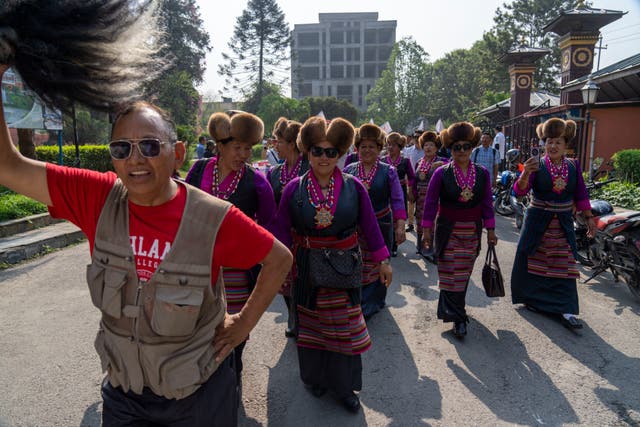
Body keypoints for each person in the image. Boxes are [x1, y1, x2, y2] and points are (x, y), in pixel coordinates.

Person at [0, 92, 292, 424]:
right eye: (121, 149)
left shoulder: (213, 217)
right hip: (126, 394)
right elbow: (6, 164)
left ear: (177, 153)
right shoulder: (95, 198)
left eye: (150, 146)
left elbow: (279, 259)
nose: (135, 159)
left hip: (198, 395)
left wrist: (244, 323)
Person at [275, 116, 391, 413]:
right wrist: (273, 267)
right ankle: (314, 378)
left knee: (345, 327)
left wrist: (383, 261)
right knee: (310, 326)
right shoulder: (292, 189)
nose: (324, 157)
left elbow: (370, 227)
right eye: (317, 151)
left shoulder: (355, 188)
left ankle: (344, 387)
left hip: (344, 267)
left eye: (331, 152)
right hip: (305, 267)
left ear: (340, 153)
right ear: (307, 152)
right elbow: (279, 231)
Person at [185, 111, 278, 383]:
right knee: (195, 322)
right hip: (197, 263)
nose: (243, 154)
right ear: (220, 147)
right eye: (237, 147)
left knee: (233, 328)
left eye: (248, 148)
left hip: (236, 270)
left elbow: (270, 225)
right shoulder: (199, 169)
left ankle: (231, 374)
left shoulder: (256, 181)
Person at [511, 118, 595, 329]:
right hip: (537, 220)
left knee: (565, 264)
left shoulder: (573, 166)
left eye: (558, 142)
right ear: (544, 143)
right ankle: (533, 301)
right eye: (549, 141)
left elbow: (581, 194)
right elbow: (519, 192)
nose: (553, 146)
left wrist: (589, 218)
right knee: (533, 258)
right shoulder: (536, 165)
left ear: (566, 144)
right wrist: (525, 173)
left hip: (563, 224)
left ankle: (566, 309)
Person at [421, 122, 497, 338]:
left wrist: (491, 230)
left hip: (472, 231)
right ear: (450, 149)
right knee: (449, 273)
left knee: (462, 275)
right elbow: (429, 203)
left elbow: (487, 205)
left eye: (466, 147)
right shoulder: (440, 173)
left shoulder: (482, 174)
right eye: (456, 147)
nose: (461, 151)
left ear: (472, 148)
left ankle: (455, 311)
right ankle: (458, 317)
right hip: (447, 230)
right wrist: (426, 230)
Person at [344, 124, 406, 317]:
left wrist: (401, 225)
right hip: (355, 228)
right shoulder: (349, 170)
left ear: (380, 149)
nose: (367, 150)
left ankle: (375, 301)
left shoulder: (389, 171)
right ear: (357, 148)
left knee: (379, 262)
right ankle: (358, 299)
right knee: (359, 263)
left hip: (381, 224)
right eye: (363, 146)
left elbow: (397, 199)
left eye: (372, 146)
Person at [266, 117, 309, 338]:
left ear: (292, 144)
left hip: (305, 236)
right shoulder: (273, 173)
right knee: (285, 281)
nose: (276, 146)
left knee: (303, 280)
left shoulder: (309, 168)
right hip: (282, 236)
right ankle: (293, 315)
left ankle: (303, 317)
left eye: (279, 141)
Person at [412, 131, 447, 259]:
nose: (428, 147)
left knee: (433, 223)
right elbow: (414, 180)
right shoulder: (419, 162)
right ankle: (420, 248)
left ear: (437, 147)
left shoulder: (443, 161)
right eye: (426, 145)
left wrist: (441, 166)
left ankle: (431, 250)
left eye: (431, 145)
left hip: (435, 199)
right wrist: (412, 193)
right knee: (420, 221)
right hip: (420, 198)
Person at [382, 132, 416, 256]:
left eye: (394, 145)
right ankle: (385, 244)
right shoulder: (381, 160)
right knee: (386, 218)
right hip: (384, 192)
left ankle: (394, 245)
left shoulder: (405, 161)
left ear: (400, 146)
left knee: (397, 219)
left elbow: (412, 177)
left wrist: (411, 190)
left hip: (400, 192)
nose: (390, 147)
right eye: (388, 144)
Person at [402, 132, 425, 232]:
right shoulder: (408, 150)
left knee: (422, 201)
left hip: (423, 178)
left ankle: (423, 222)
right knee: (410, 201)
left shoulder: (426, 150)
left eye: (419, 137)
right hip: (411, 178)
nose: (417, 138)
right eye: (415, 137)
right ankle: (410, 223)